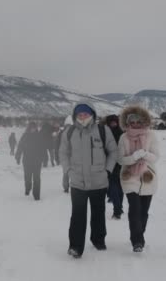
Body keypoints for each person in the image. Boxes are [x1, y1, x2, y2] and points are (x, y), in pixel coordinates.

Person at [59, 104, 117, 258]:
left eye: (85, 114)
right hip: (77, 182)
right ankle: (75, 246)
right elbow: (63, 153)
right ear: (75, 116)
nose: (82, 117)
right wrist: (68, 171)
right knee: (78, 215)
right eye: (80, 114)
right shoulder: (69, 132)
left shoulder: (103, 131)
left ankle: (98, 240)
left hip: (99, 181)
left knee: (98, 213)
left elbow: (113, 152)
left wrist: (107, 170)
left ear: (92, 114)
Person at [117, 106, 159, 253]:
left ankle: (139, 234)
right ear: (127, 122)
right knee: (134, 209)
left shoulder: (151, 136)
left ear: (143, 121)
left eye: (138, 120)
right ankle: (137, 241)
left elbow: (156, 156)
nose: (135, 123)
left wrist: (144, 154)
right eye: (131, 120)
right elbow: (120, 159)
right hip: (129, 178)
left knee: (144, 212)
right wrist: (134, 157)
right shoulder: (123, 138)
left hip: (148, 177)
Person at [15, 122, 47, 201]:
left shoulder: (39, 136)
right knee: (27, 177)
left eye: (34, 127)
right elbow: (20, 147)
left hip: (37, 161)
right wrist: (18, 157)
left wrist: (45, 158)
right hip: (27, 161)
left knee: (37, 178)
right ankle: (28, 187)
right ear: (29, 128)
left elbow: (43, 148)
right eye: (31, 127)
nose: (33, 129)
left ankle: (36, 195)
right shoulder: (25, 136)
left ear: (36, 128)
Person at [105, 115, 125, 219]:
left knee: (117, 188)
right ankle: (118, 208)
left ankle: (118, 209)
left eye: (115, 122)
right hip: (110, 164)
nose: (113, 124)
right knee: (114, 187)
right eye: (111, 122)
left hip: (119, 164)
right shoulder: (105, 133)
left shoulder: (121, 134)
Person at [56, 115, 73, 193]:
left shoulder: (61, 133)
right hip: (71, 154)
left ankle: (66, 187)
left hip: (66, 154)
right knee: (71, 171)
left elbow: (57, 144)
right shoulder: (75, 132)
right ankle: (71, 186)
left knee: (66, 171)